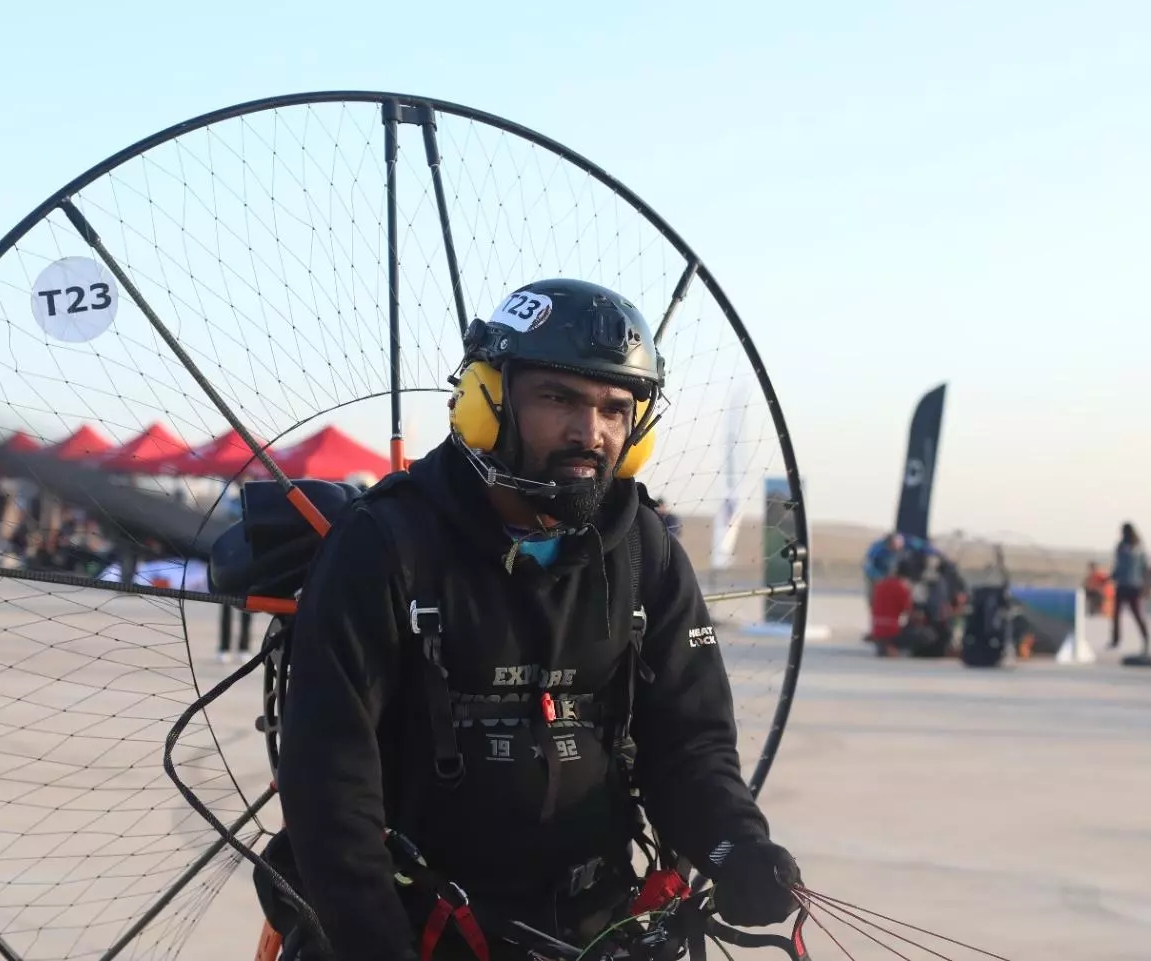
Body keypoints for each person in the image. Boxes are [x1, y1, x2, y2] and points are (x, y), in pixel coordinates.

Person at [276, 279, 800, 961]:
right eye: (559, 399)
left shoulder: (645, 551)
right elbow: (330, 789)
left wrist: (737, 845)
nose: (590, 432)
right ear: (487, 402)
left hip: (595, 927)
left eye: (615, 409)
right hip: (413, 929)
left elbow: (690, 744)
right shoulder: (385, 545)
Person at [1110, 522, 1151, 650]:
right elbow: (1118, 565)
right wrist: (1114, 575)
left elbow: (1144, 568)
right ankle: (1115, 639)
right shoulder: (1122, 547)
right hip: (1123, 585)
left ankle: (1146, 639)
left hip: (1133, 586)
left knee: (1137, 614)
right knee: (1116, 614)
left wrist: (1146, 585)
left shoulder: (1138, 548)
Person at [862, 532, 906, 606]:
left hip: (887, 576)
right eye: (895, 546)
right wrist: (877, 577)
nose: (896, 550)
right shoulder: (878, 548)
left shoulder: (897, 549)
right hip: (874, 576)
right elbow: (869, 564)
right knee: (874, 595)